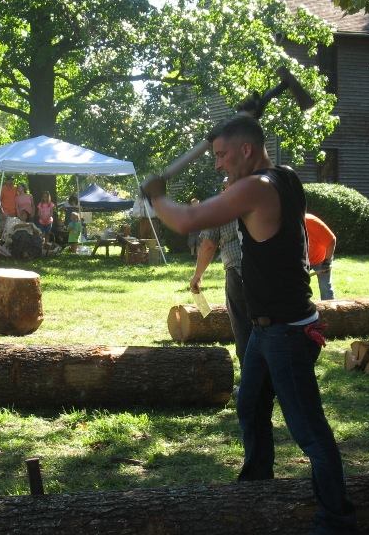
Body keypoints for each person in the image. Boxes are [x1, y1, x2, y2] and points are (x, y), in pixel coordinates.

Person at [142, 111, 356, 534]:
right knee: (250, 403)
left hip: (286, 331)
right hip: (267, 328)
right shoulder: (284, 177)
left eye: (222, 155)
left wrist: (157, 196)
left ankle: (337, 519)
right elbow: (236, 184)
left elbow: (186, 220)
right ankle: (257, 484)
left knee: (308, 430)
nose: (218, 164)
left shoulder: (256, 188)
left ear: (246, 149)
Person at [190, 179, 249, 366]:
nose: (223, 191)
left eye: (225, 187)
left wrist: (197, 275)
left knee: (242, 325)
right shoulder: (259, 201)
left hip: (238, 272)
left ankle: (251, 375)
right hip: (265, 272)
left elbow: (208, 245)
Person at [306, 213, 336, 301]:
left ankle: (330, 307)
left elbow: (332, 240)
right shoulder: (285, 224)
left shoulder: (311, 222)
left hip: (322, 259)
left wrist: (327, 262)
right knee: (297, 286)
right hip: (303, 260)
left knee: (325, 287)